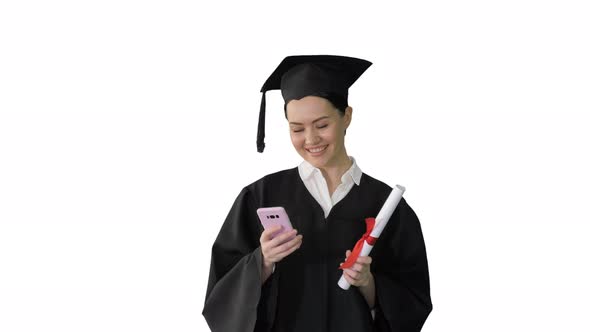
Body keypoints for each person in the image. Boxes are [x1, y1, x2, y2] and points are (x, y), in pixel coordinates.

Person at [202, 55, 432, 332]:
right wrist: (261, 262)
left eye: (322, 125)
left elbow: (413, 303)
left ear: (346, 117)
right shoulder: (260, 196)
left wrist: (368, 283)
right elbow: (220, 297)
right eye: (297, 129)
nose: (310, 140)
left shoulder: (387, 204)